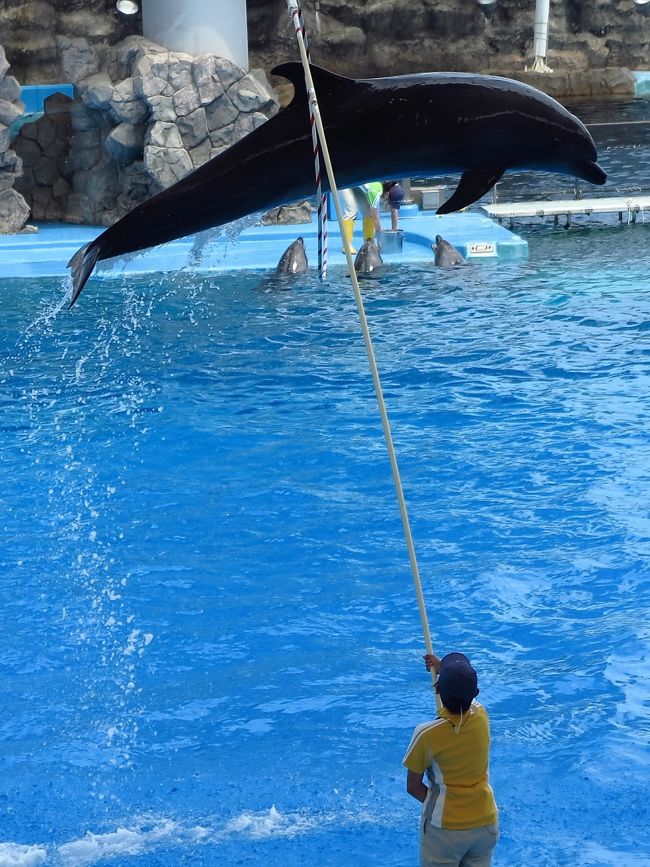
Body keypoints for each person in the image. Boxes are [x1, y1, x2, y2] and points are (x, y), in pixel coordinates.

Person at [403, 652, 499, 867]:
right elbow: (466, 694)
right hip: (485, 823)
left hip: (444, 830)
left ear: (437, 689)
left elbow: (413, 787)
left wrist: (438, 805)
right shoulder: (482, 716)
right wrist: (442, 669)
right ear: (476, 692)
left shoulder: (426, 734)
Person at [339, 182, 383, 253]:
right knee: (351, 211)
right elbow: (375, 217)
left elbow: (372, 214)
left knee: (368, 212)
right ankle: (346, 246)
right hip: (344, 182)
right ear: (387, 195)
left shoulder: (377, 187)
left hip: (358, 183)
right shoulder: (375, 192)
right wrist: (381, 235)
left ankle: (369, 243)